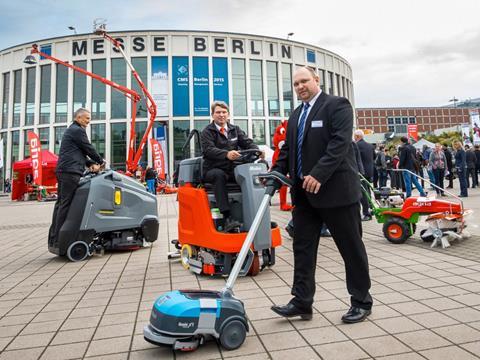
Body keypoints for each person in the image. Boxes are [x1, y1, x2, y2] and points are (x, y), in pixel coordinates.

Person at [270, 66, 372, 324]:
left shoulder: (337, 106)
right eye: (295, 84)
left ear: (317, 80)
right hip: (304, 195)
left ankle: (361, 301)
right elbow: (288, 151)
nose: (300, 86)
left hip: (336, 191)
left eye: (304, 81)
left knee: (351, 248)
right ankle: (302, 301)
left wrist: (318, 174)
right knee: (302, 248)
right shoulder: (295, 116)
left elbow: (339, 143)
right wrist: (274, 173)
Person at [48, 108, 105, 248]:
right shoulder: (78, 130)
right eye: (86, 118)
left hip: (64, 170)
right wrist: (101, 161)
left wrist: (91, 163)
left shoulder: (71, 130)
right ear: (78, 118)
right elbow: (88, 148)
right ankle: (60, 240)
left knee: (60, 204)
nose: (88, 121)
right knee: (65, 205)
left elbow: (79, 153)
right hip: (70, 172)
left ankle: (54, 238)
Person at [201, 101, 259, 232]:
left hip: (232, 169)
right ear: (212, 114)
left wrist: (257, 150)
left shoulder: (235, 130)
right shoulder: (207, 132)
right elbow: (208, 150)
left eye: (224, 112)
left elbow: (247, 143)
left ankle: (256, 215)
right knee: (218, 175)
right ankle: (227, 218)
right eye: (218, 112)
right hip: (212, 169)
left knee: (250, 175)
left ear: (228, 114)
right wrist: (226, 154)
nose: (221, 115)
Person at [354, 129, 375, 221]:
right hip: (369, 171)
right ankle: (370, 209)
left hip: (360, 171)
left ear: (357, 136)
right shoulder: (370, 146)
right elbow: (374, 157)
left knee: (362, 193)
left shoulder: (356, 145)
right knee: (367, 191)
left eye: (354, 136)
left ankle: (366, 213)